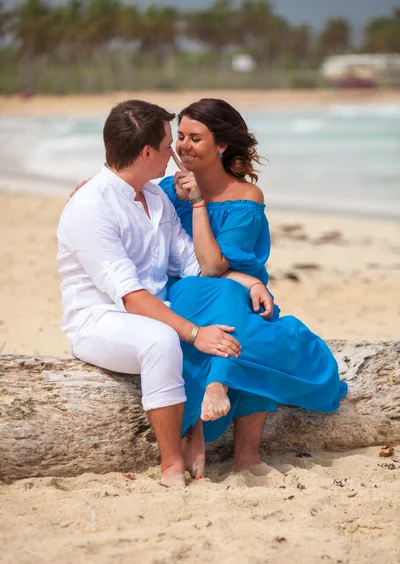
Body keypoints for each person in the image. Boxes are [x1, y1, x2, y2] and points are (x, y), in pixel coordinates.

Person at [57, 99, 270, 487]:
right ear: (146, 152)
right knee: (161, 340)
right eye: (170, 142)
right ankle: (172, 463)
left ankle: (211, 434)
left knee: (234, 306)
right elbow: (130, 297)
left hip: (159, 305)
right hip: (100, 319)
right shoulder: (91, 206)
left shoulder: (156, 198)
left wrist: (250, 283)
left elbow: (194, 267)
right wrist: (194, 332)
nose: (176, 152)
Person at [155, 98, 348, 477]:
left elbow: (214, 265)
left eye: (195, 137)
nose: (183, 146)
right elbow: (202, 272)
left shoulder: (246, 197)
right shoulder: (165, 189)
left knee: (263, 329)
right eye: (180, 137)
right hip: (186, 294)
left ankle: (242, 452)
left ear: (222, 145)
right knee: (235, 310)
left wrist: (197, 203)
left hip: (237, 296)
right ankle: (212, 401)